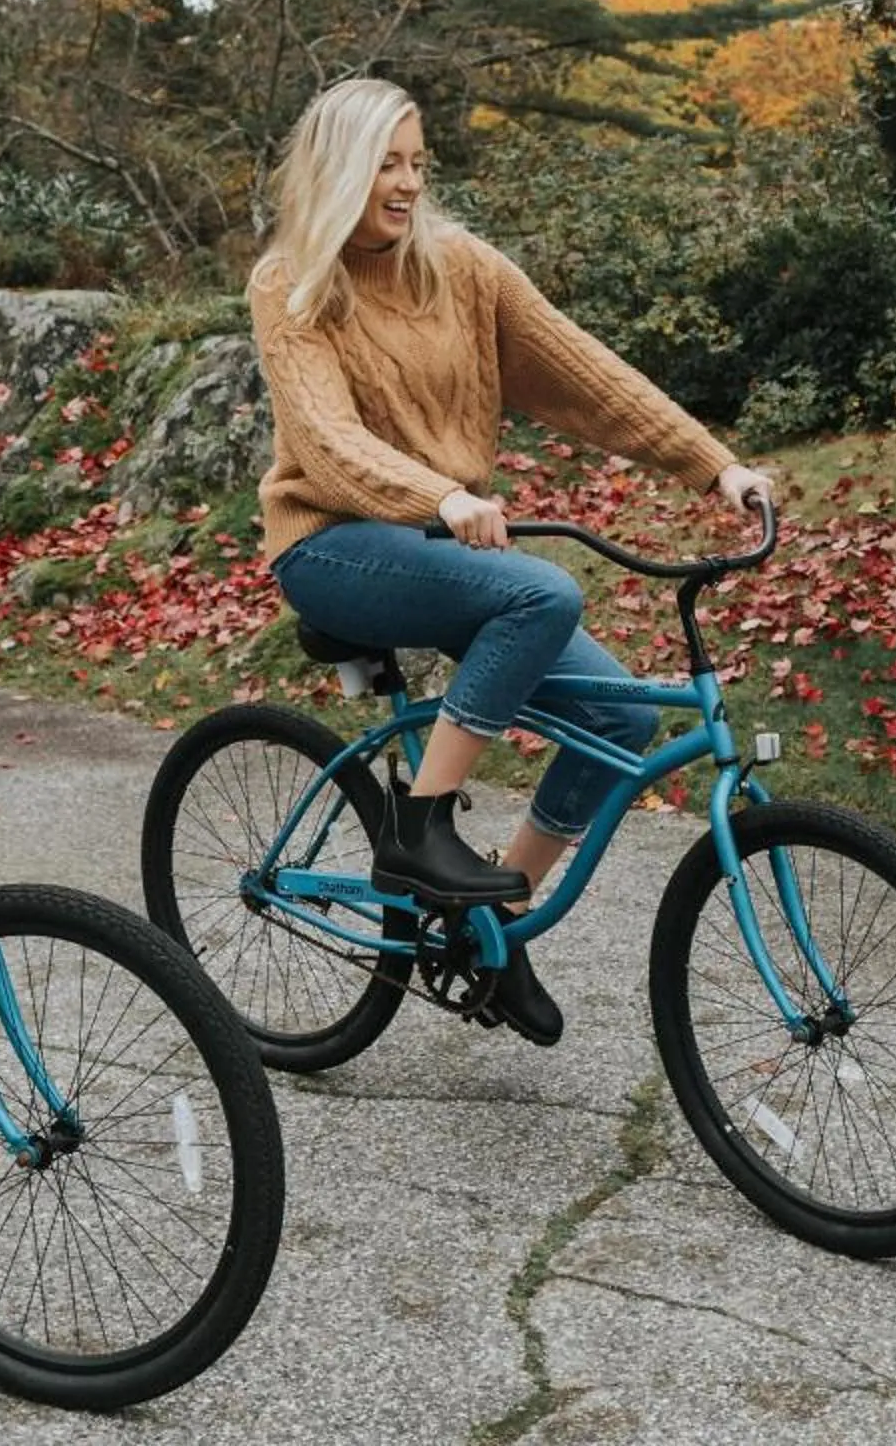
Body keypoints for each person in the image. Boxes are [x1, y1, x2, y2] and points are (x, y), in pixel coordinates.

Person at [248, 78, 777, 1046]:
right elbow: (324, 437)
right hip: (331, 542)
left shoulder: (464, 268)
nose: (406, 182)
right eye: (386, 163)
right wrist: (438, 495)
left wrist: (717, 465)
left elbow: (589, 376)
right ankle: (420, 828)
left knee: (616, 712)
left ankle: (489, 930)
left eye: (417, 162)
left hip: (441, 540)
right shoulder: (293, 281)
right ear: (337, 170)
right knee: (543, 590)